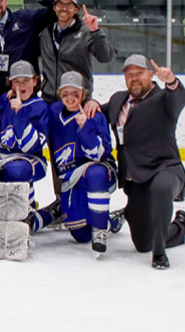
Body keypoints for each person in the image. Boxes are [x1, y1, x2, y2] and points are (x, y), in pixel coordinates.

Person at [84, 54, 185, 269]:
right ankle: (181, 225)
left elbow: (179, 98)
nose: (134, 78)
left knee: (161, 188)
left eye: (140, 73)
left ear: (151, 74)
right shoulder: (118, 100)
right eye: (130, 74)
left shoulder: (164, 98)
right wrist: (91, 102)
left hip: (165, 168)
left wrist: (172, 82)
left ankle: (159, 255)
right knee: (142, 243)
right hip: (136, 178)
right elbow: (99, 111)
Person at [41, 71, 120, 257]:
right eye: (66, 93)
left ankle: (101, 231)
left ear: (83, 94)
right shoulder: (53, 112)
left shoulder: (94, 115)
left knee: (95, 173)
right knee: (81, 234)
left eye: (75, 93)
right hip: (71, 179)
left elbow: (99, 155)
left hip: (99, 171)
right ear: (60, 94)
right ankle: (112, 220)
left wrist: (85, 128)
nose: (71, 98)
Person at [37, 0, 116, 103]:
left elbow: (106, 57)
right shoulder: (45, 33)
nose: (64, 8)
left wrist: (96, 31)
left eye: (69, 4)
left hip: (77, 102)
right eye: (60, 4)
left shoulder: (86, 32)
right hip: (49, 102)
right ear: (54, 8)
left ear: (75, 9)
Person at [0, 61, 49, 206]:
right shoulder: (5, 102)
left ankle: (26, 211)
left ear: (35, 81)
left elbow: (31, 146)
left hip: (30, 159)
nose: (21, 86)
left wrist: (20, 114)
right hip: (3, 157)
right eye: (17, 81)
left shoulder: (40, 107)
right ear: (10, 83)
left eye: (26, 80)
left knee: (16, 170)